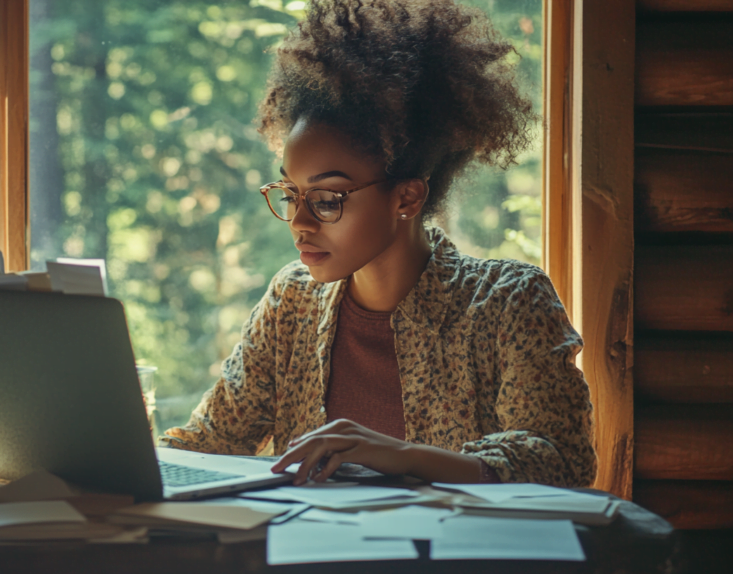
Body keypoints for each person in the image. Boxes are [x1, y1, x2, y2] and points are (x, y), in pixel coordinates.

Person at [159, 0, 596, 487]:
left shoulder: (508, 301)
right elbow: (206, 443)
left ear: (406, 197)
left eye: (327, 199)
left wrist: (403, 456)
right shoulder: (292, 304)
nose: (298, 221)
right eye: (290, 193)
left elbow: (562, 462)